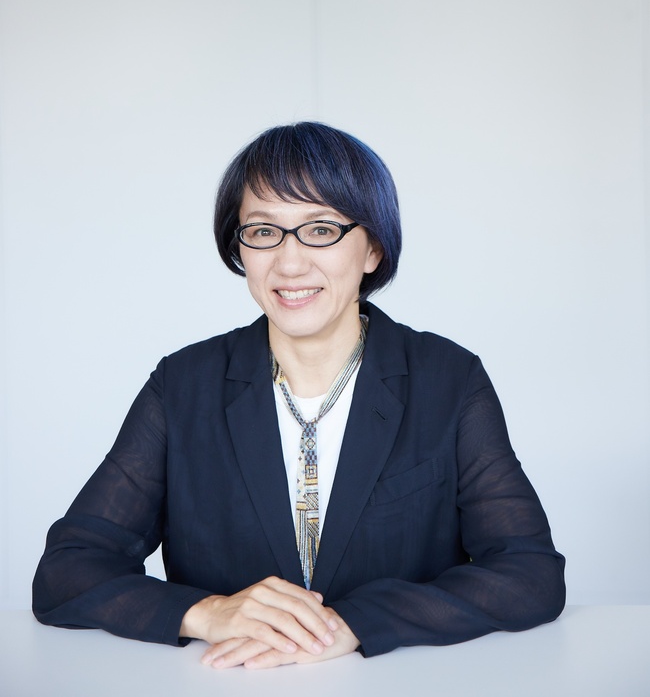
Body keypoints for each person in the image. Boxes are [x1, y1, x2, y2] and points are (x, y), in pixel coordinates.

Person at [33, 122, 565, 669]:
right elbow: (66, 571)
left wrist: (355, 622)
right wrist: (208, 613)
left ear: (373, 248)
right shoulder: (182, 386)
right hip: (226, 683)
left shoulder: (448, 379)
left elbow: (530, 574)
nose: (289, 264)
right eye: (264, 231)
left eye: (321, 230)